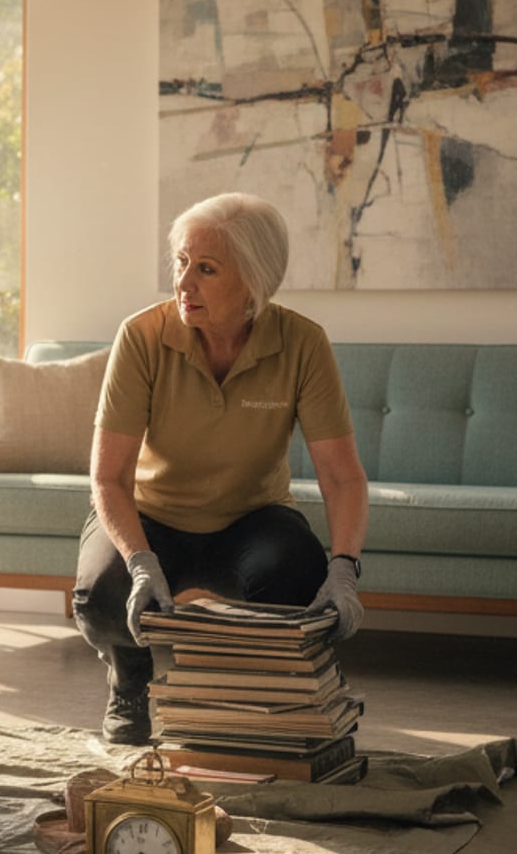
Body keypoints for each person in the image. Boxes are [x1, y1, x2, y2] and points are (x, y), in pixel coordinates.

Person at [72, 192, 369, 745]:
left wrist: (345, 569)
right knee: (102, 593)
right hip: (152, 515)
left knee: (299, 574)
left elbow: (342, 476)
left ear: (254, 281)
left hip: (251, 518)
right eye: (181, 262)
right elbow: (109, 477)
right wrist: (140, 563)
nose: (183, 283)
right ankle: (130, 682)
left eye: (206, 269)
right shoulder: (141, 337)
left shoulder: (303, 343)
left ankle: (255, 698)